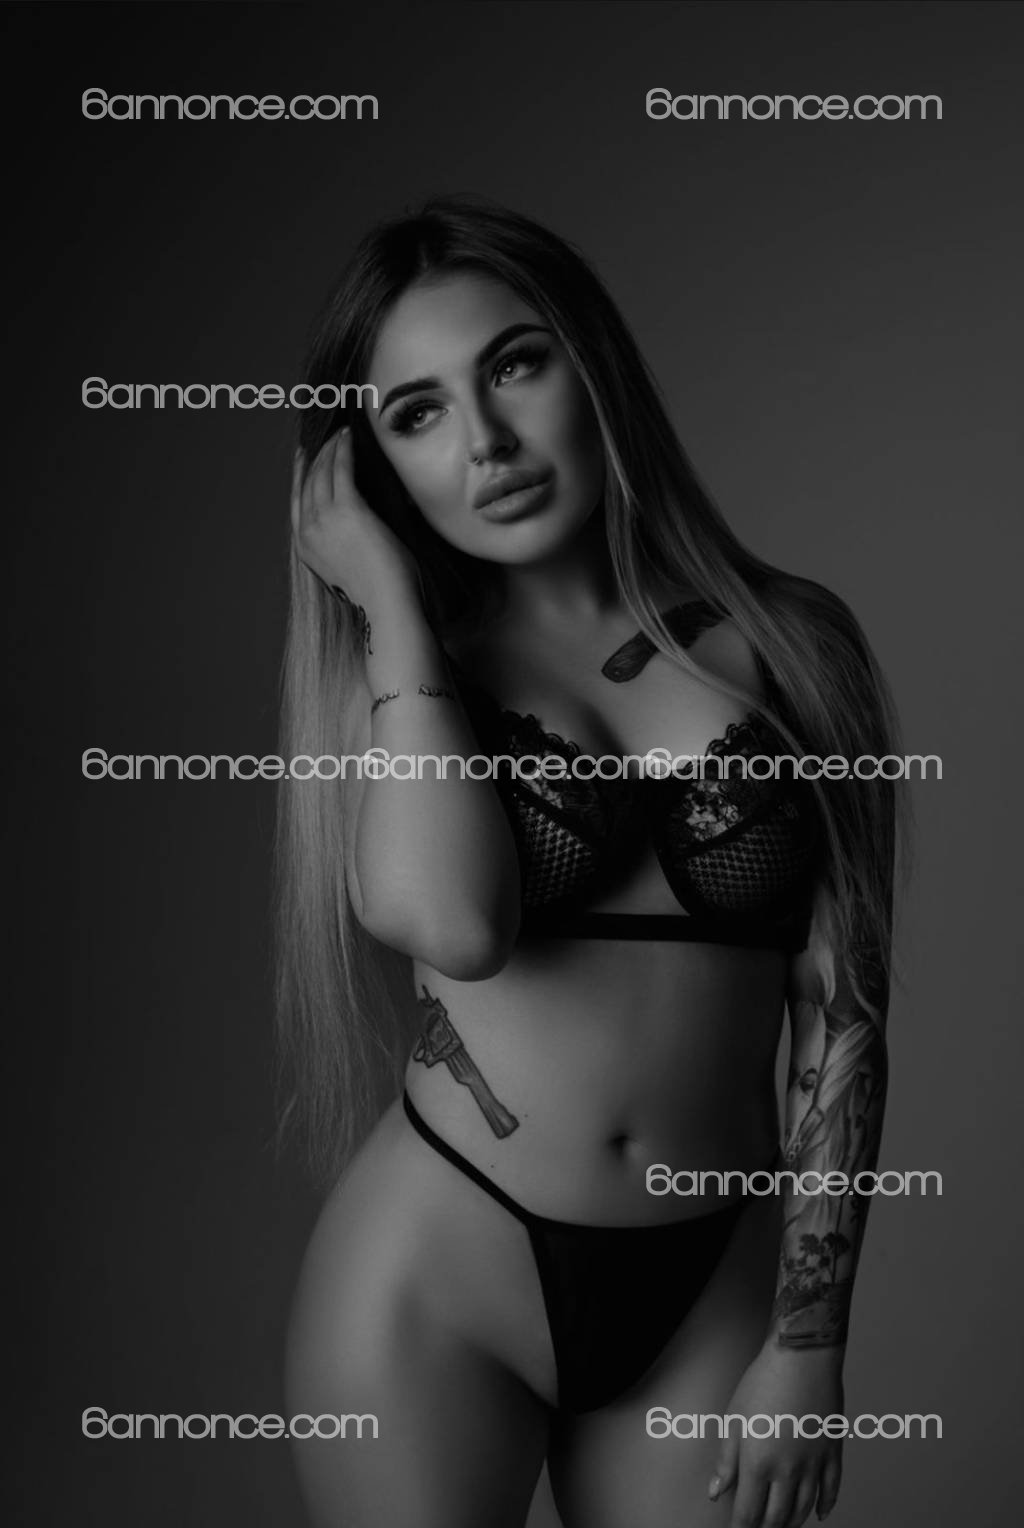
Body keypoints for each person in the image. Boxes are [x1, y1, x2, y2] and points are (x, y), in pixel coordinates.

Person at [276, 195, 902, 1528]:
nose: (486, 441)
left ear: (593, 364)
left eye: (513, 364)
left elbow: (843, 1010)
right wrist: (389, 609)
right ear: (375, 467)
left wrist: (810, 1346)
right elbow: (456, 925)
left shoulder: (795, 645)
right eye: (417, 414)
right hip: (439, 1270)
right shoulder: (404, 684)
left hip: (711, 1285)